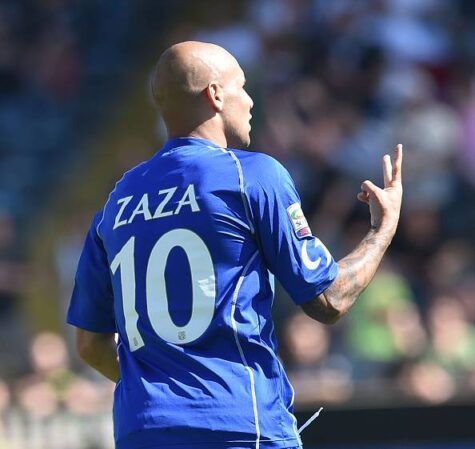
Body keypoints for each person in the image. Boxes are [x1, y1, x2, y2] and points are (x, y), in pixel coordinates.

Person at [67, 41, 403, 449]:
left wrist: (164, 386)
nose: (250, 101)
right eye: (242, 87)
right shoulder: (251, 176)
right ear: (215, 94)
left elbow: (89, 342)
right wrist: (382, 229)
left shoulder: (116, 201)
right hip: (239, 427)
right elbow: (329, 299)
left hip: (143, 429)